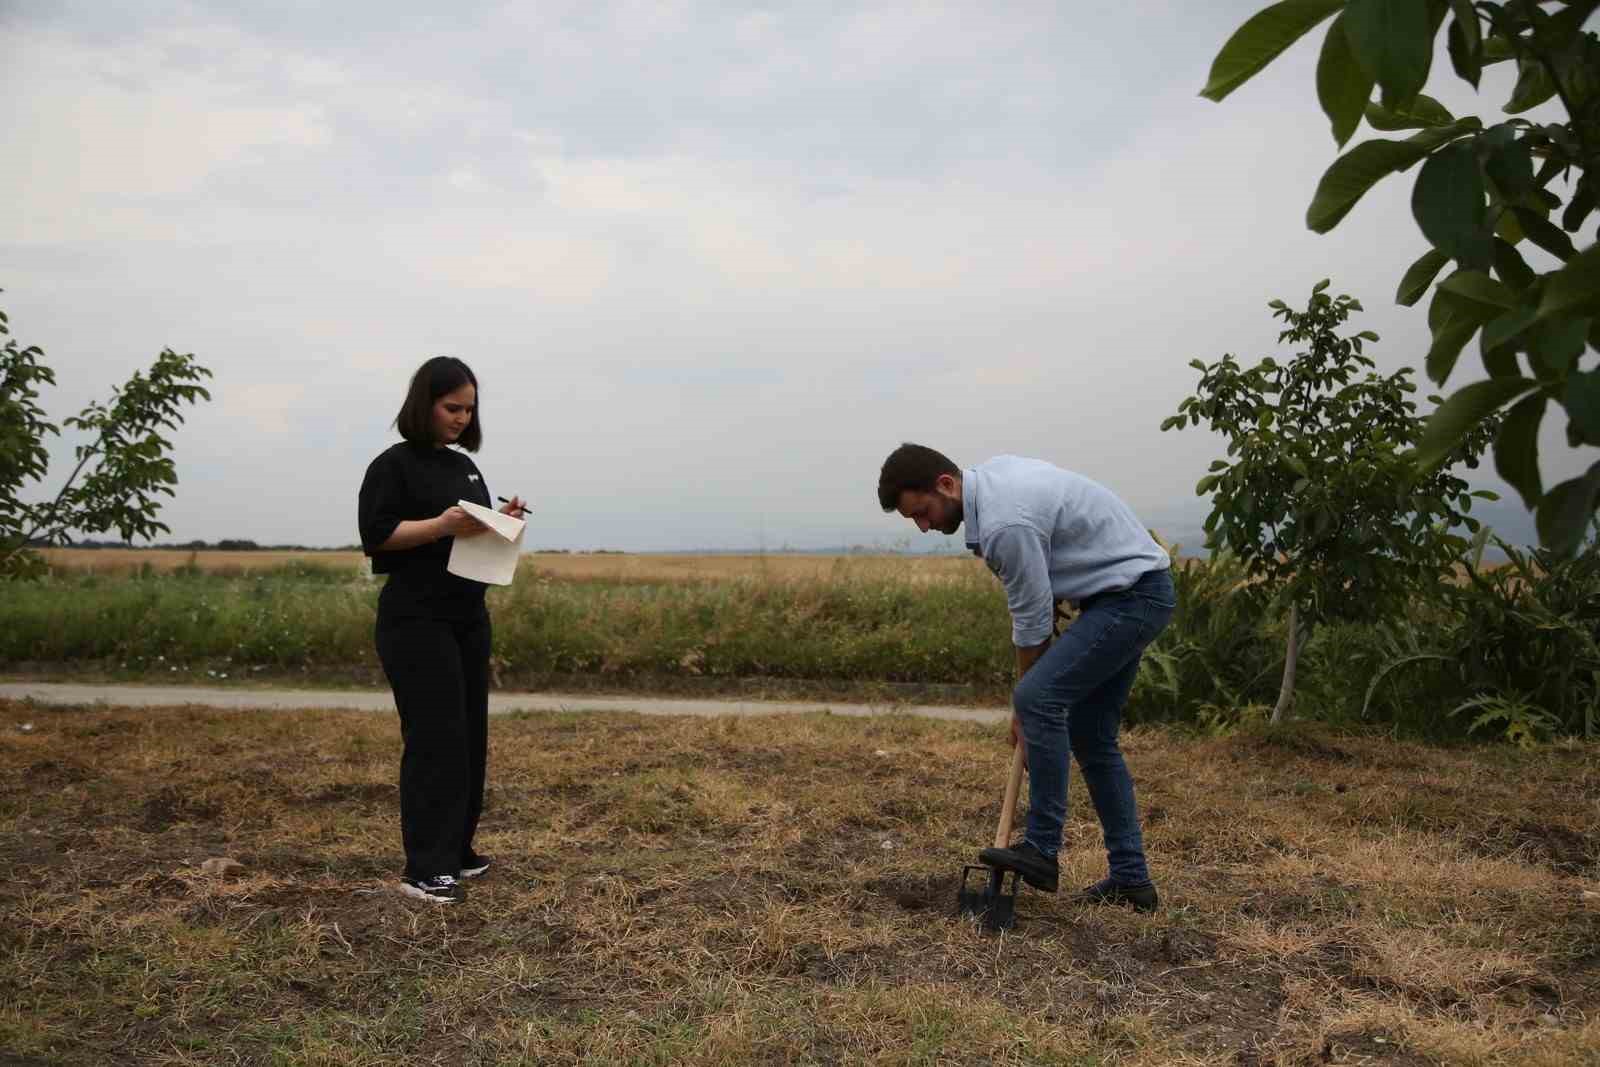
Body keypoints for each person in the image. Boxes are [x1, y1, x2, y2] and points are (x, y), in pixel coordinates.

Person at [877, 442, 1174, 912]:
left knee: (1038, 698)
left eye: (924, 512)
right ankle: (1132, 880)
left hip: (1131, 598)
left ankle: (1041, 850)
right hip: (1124, 595)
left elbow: (1032, 619)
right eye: (915, 519)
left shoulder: (1003, 522)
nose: (925, 526)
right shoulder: (991, 487)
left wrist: (1025, 709)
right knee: (1092, 736)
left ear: (946, 485)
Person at [358, 357, 527, 904]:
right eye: (451, 407)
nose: (461, 418)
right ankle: (423, 868)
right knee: (434, 739)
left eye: (469, 409)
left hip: (467, 615)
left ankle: (456, 850)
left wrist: (503, 521)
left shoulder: (465, 470)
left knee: (469, 734)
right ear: (424, 404)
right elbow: (377, 535)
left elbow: (468, 541)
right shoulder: (393, 466)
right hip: (415, 618)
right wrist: (440, 525)